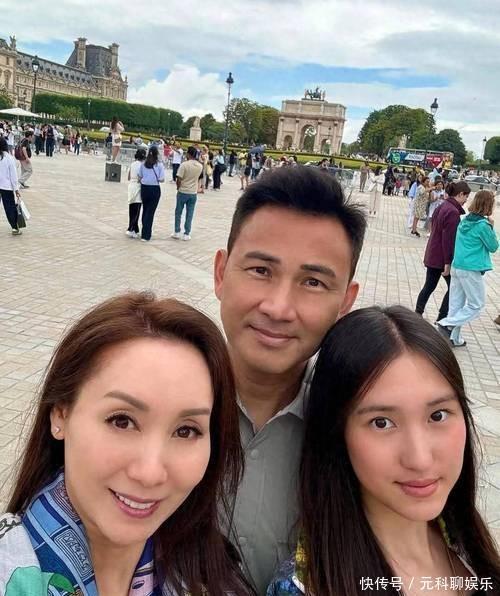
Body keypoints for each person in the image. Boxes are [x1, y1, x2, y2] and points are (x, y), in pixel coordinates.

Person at [0, 292, 255, 596]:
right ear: (60, 414)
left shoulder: (212, 576)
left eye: (186, 431)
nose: (150, 473)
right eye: (122, 421)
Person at [267, 306, 500, 595]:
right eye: (381, 423)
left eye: (438, 415)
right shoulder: (307, 587)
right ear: (336, 433)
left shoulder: (465, 540)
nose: (419, 459)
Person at [213, 166, 367, 593]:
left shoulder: (361, 430)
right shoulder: (147, 406)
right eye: (261, 270)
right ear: (221, 273)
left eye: (313, 282)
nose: (279, 308)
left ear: (345, 302)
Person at [437, 190, 499, 348]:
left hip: (457, 266)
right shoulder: (483, 225)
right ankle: (446, 323)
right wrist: (491, 227)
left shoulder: (463, 220)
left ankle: (454, 338)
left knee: (455, 305)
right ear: (488, 205)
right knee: (476, 305)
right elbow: (493, 246)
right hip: (471, 269)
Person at [415, 181, 471, 322]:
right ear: (460, 194)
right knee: (454, 288)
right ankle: (442, 317)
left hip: (433, 253)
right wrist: (448, 262)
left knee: (429, 286)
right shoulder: (453, 212)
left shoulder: (443, 206)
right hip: (442, 257)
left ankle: (417, 313)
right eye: (466, 197)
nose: (466, 200)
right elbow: (448, 239)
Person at [171, 145, 203, 241]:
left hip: (183, 191)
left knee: (178, 212)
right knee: (190, 213)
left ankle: (177, 231)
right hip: (193, 192)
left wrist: (178, 187)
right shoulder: (200, 166)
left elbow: (179, 178)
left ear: (188, 154)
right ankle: (187, 233)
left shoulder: (184, 165)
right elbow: (198, 178)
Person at [138, 146, 165, 242]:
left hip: (144, 188)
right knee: (150, 212)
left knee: (145, 210)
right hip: (154, 189)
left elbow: (139, 176)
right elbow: (161, 179)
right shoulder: (159, 165)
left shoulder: (143, 164)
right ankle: (146, 234)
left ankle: (144, 230)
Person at [0, 136, 22, 235]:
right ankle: (14, 228)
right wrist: (16, 189)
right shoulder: (9, 158)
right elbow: (13, 176)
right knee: (9, 207)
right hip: (6, 187)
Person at [126, 148, 147, 239]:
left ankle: (134, 228)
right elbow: (142, 178)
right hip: (138, 186)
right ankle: (131, 229)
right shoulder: (143, 166)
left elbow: (128, 177)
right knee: (137, 209)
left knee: (131, 208)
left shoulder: (132, 164)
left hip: (131, 186)